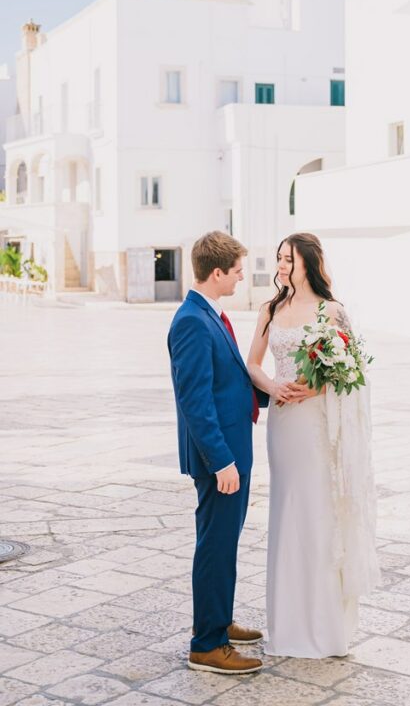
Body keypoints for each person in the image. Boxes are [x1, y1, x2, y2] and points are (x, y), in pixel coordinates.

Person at [246, 232, 380, 658]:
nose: (282, 266)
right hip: (283, 423)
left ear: (308, 262)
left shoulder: (332, 311)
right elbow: (252, 362)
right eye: (279, 259)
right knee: (287, 511)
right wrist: (273, 386)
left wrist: (315, 389)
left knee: (318, 513)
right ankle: (287, 626)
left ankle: (324, 628)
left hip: (316, 424)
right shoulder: (271, 309)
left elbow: (350, 372)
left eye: (288, 259)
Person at [168, 231, 273, 676]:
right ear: (216, 273)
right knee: (214, 546)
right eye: (235, 271)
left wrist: (273, 392)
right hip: (221, 460)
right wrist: (222, 462)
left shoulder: (213, 315)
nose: (240, 278)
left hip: (232, 451)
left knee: (224, 544)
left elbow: (228, 382)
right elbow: (195, 400)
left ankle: (220, 620)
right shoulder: (192, 321)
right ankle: (207, 644)